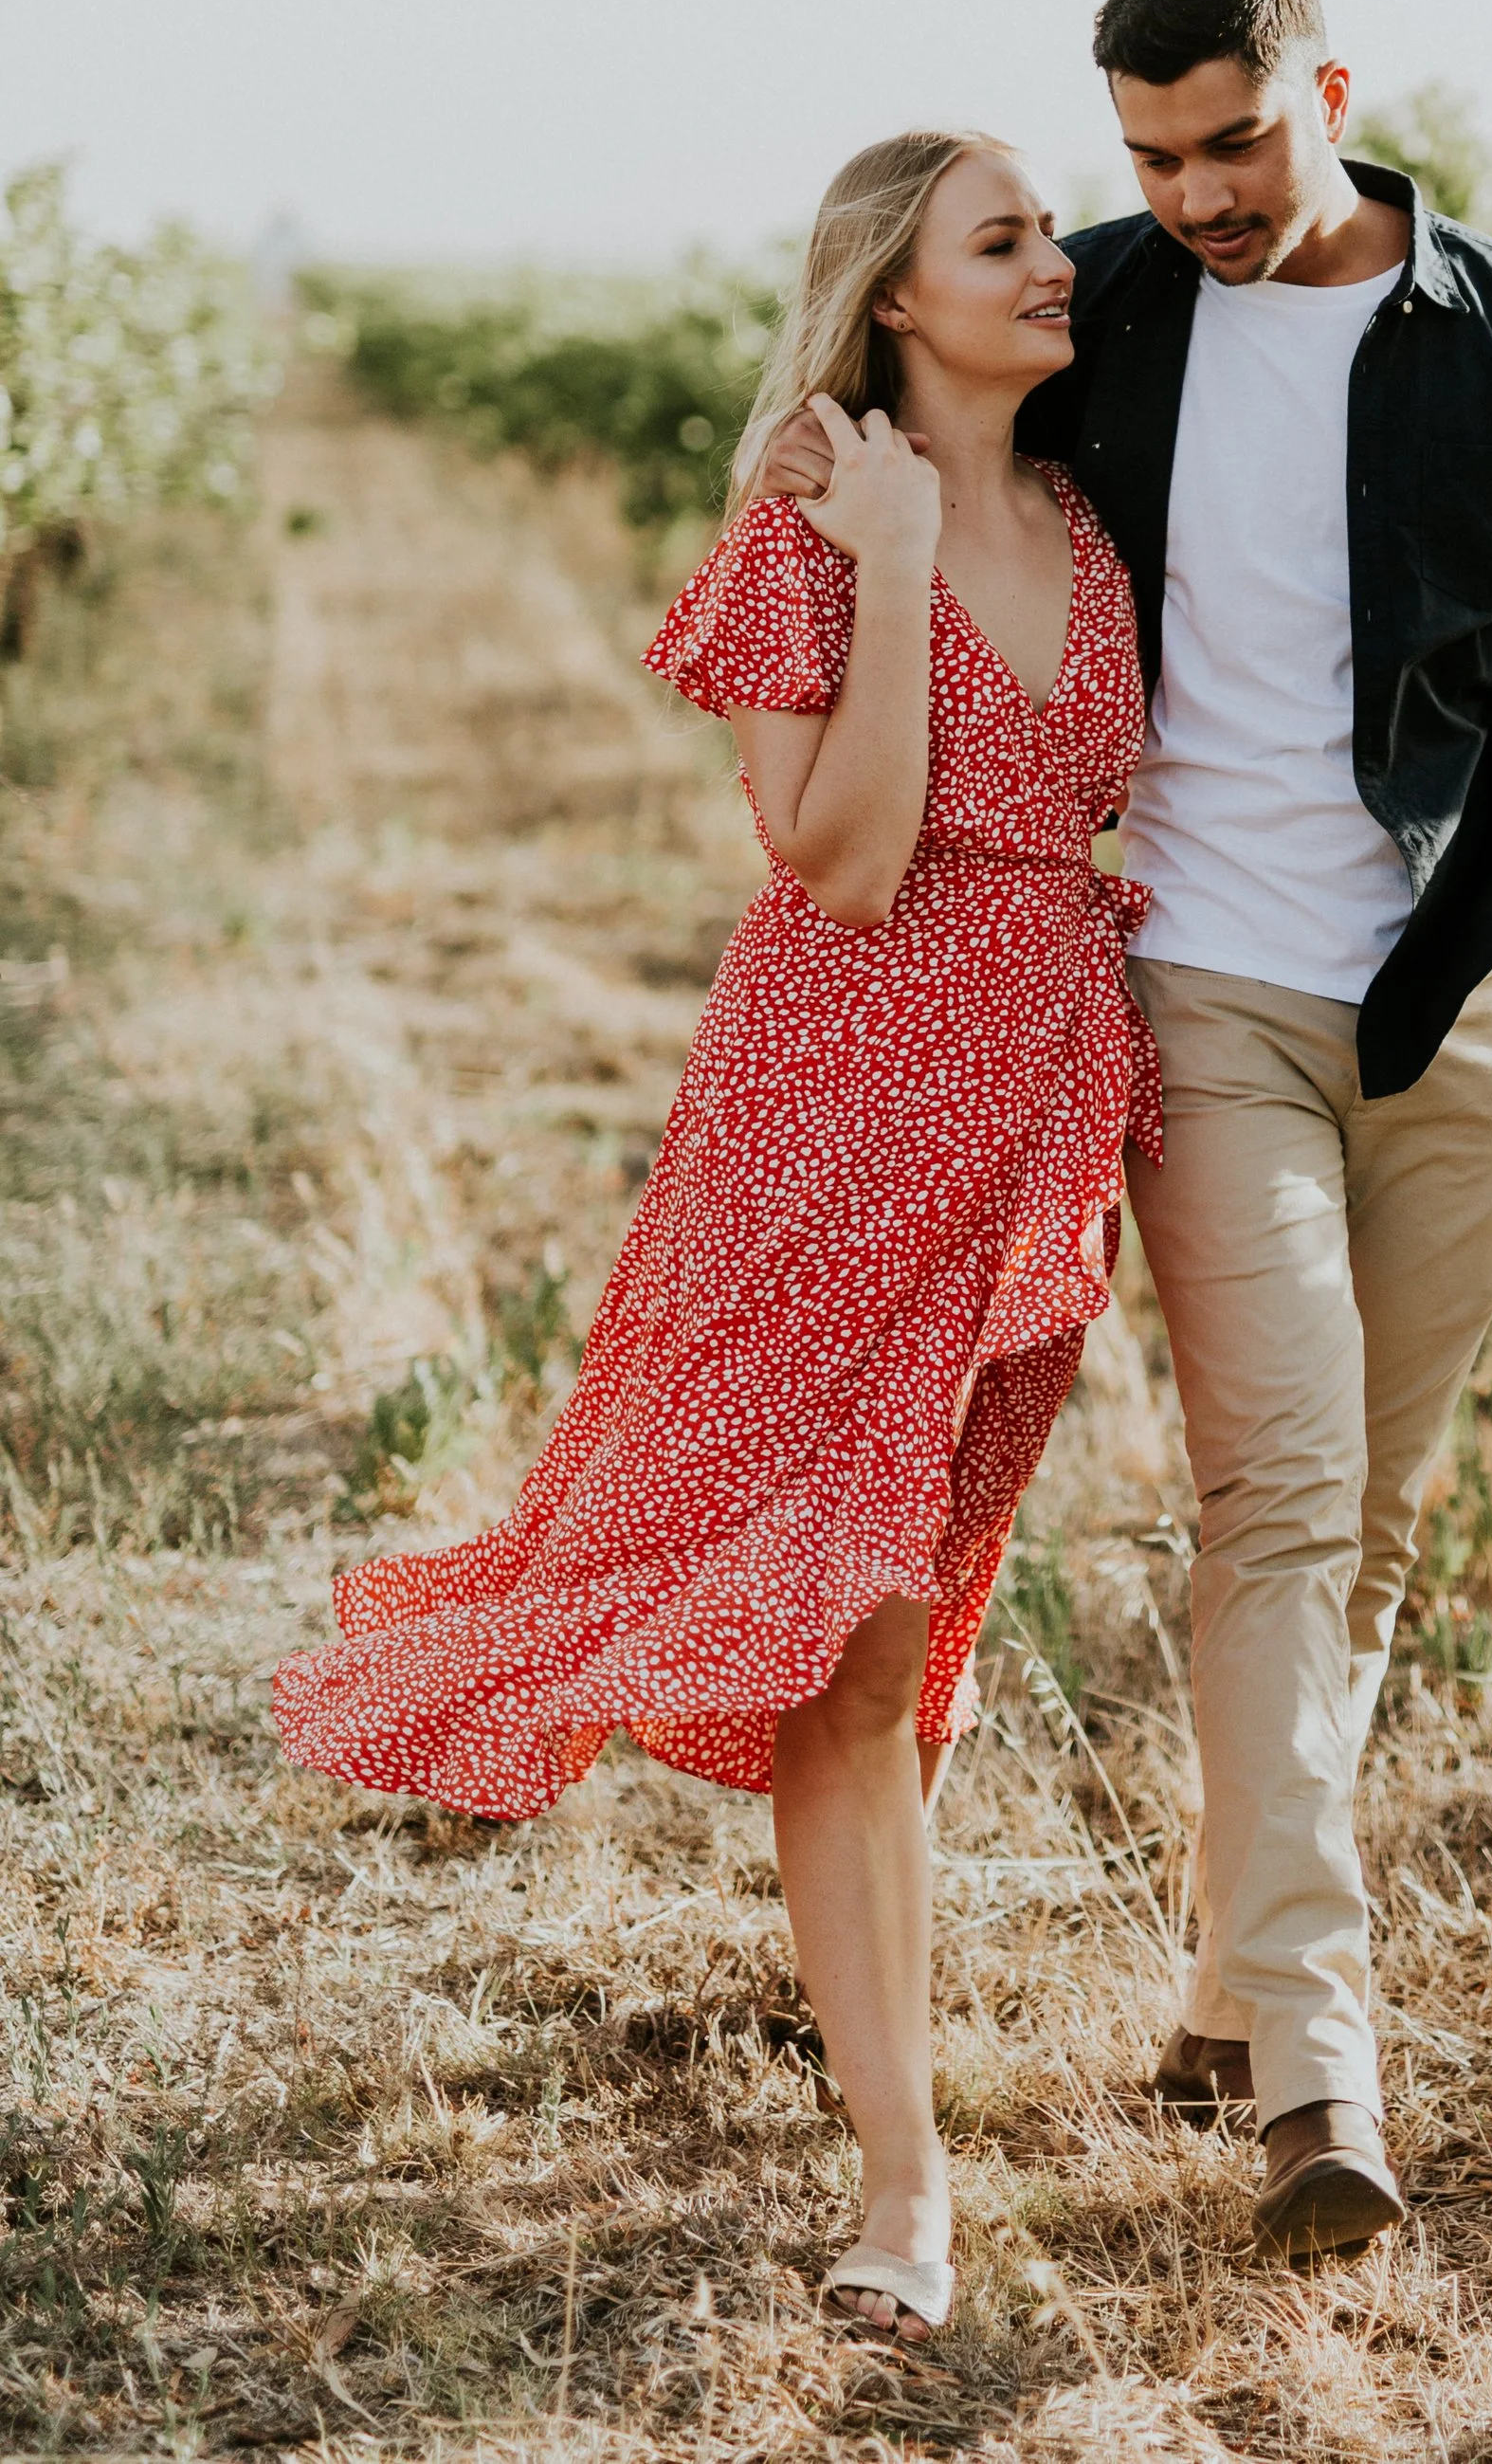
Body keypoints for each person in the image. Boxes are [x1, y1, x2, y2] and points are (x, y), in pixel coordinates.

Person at [767, 0, 1492, 2261]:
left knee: (1359, 1522)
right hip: (1200, 988)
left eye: (1232, 140)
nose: (1191, 193)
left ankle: (1221, 1974)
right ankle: (1321, 2073)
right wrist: (814, 482)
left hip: (1468, 1001)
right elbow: (903, 414)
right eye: (1148, 155)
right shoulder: (1112, 311)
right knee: (1278, 1498)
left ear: (1326, 86)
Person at [274, 131, 1158, 2347]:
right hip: (834, 1122)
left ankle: (861, 1999)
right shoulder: (797, 541)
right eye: (1007, 239)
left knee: (909, 1625)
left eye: (1052, 227)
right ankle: (904, 2180)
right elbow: (848, 862)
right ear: (891, 302)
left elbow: (1091, 817)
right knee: (848, 1644)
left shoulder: (1085, 522)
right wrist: (874, 566)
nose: (1058, 262)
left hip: (1040, 1117)